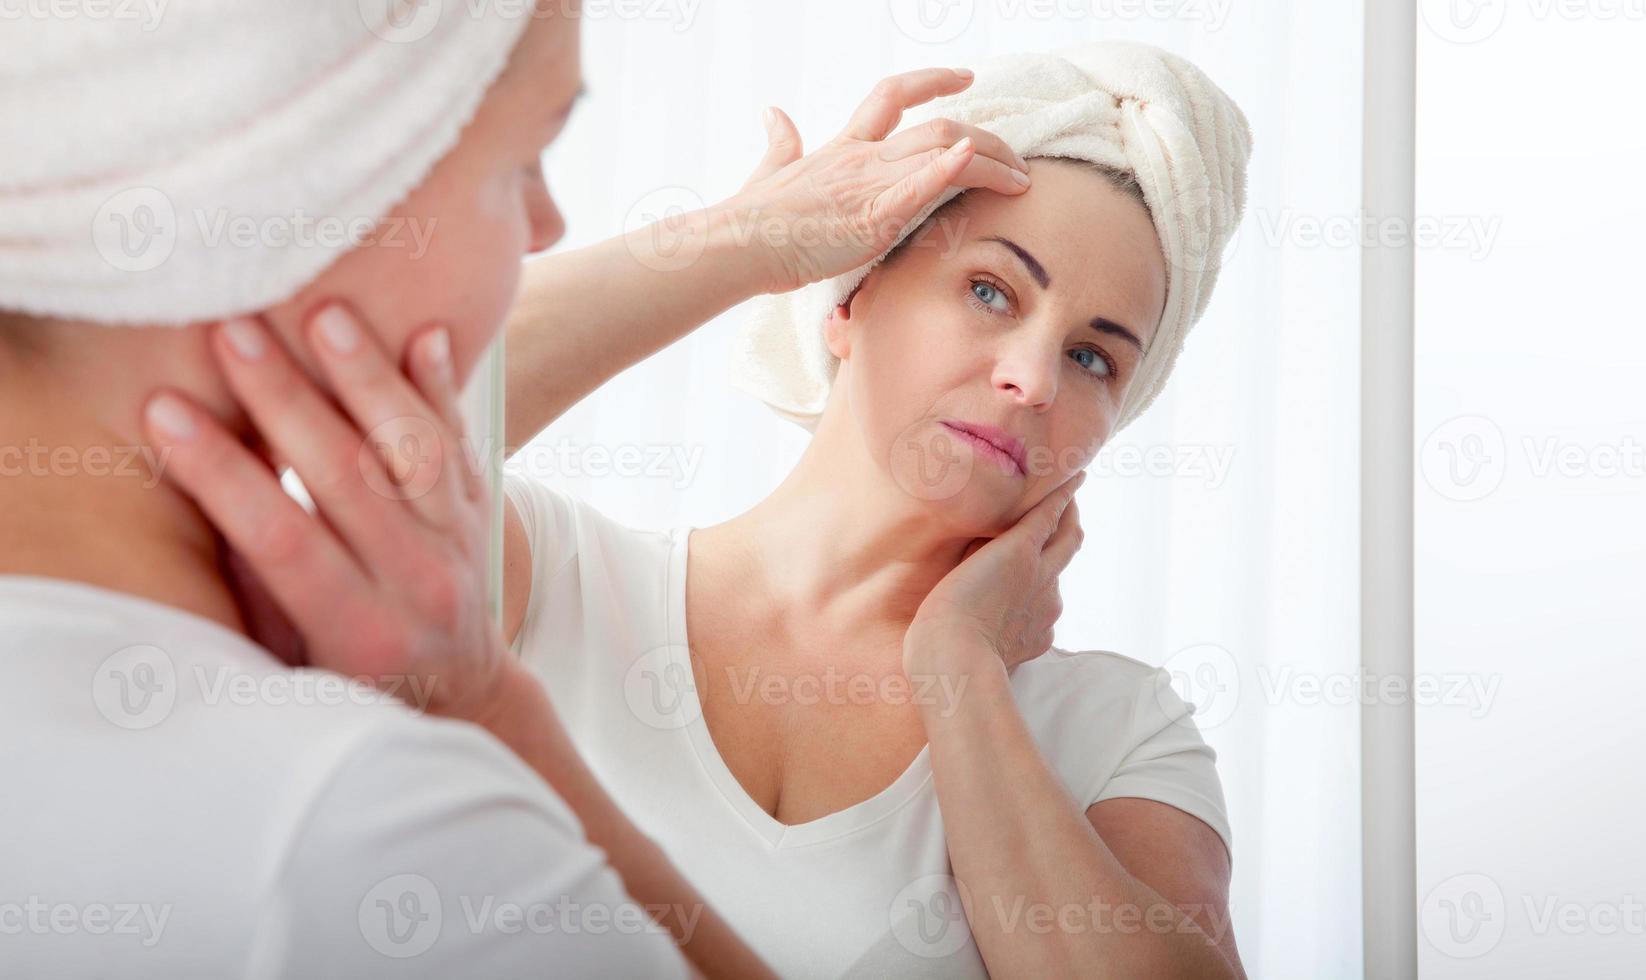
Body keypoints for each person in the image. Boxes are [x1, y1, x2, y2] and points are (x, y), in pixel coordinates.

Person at [165, 42, 1255, 978]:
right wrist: (746, 240)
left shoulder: (1113, 733)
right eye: (989, 290)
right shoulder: (547, 577)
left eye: (1093, 356)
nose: (1031, 377)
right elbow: (367, 417)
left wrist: (961, 669)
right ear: (851, 294)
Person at [0, 3, 1022, 976]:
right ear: (290, 189)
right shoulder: (362, 833)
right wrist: (490, 708)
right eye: (521, 160)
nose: (545, 225)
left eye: (1103, 355)